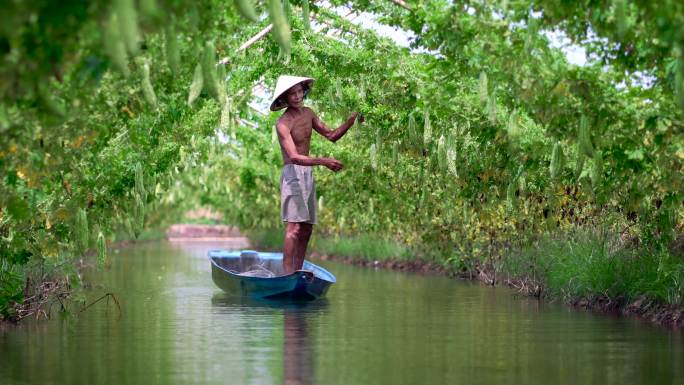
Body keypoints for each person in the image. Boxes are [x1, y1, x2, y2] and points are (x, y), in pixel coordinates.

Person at [269, 75, 362, 274]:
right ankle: (287, 275)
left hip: (307, 173)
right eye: (291, 94)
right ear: (285, 98)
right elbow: (293, 157)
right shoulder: (283, 123)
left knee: (307, 228)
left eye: (299, 91)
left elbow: (332, 135)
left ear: (304, 91)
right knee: (293, 228)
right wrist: (324, 161)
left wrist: (352, 119)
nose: (296, 96)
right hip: (293, 174)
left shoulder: (309, 113)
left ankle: (298, 270)